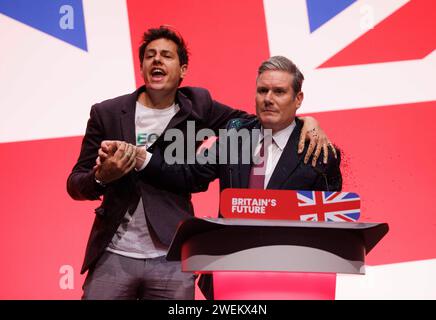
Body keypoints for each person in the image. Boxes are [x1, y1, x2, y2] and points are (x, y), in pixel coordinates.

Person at [67, 26, 335, 300]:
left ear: (182, 70)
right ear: (142, 65)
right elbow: (77, 184)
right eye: (151, 55)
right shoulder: (107, 113)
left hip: (174, 255)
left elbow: (264, 119)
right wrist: (102, 176)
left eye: (166, 55)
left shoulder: (199, 106)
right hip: (115, 253)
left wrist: (308, 122)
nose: (157, 60)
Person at [131, 55, 342, 299]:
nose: (268, 99)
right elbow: (190, 173)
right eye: (262, 90)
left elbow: (330, 226)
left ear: (298, 99)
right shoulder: (236, 136)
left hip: (292, 281)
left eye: (279, 92)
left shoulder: (318, 152)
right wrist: (142, 158)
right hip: (229, 277)